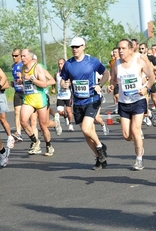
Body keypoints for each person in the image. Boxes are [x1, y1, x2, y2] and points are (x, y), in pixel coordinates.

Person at [60, 37, 110, 170]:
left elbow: (106, 73)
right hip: (77, 101)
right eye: (73, 47)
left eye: (77, 47)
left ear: (83, 46)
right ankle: (99, 157)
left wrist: (100, 84)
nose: (74, 49)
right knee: (87, 133)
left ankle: (100, 146)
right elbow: (63, 80)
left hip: (92, 99)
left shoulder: (92, 61)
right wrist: (63, 84)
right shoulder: (68, 64)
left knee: (86, 128)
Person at [109, 39, 155, 170]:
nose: (120, 51)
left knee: (135, 130)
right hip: (124, 102)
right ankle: (138, 141)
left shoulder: (139, 62)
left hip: (138, 101)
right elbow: (113, 80)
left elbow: (151, 77)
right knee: (126, 136)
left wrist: (146, 88)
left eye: (123, 48)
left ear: (130, 50)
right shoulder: (116, 64)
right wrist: (111, 86)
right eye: (119, 48)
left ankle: (139, 159)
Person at [17, 49, 60, 156]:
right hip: (28, 99)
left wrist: (31, 79)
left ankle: (49, 146)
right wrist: (20, 81)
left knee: (43, 125)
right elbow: (26, 81)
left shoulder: (37, 67)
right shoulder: (23, 68)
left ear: (31, 57)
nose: (21, 58)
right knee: (22, 121)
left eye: (24, 56)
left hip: (39, 99)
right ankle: (35, 141)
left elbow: (44, 84)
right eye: (21, 56)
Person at [53, 58, 74, 131]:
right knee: (59, 111)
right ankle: (65, 116)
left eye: (61, 64)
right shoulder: (56, 73)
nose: (60, 65)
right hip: (60, 95)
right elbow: (53, 81)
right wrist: (53, 88)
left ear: (64, 64)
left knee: (68, 111)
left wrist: (69, 84)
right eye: (59, 64)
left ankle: (71, 125)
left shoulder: (69, 72)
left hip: (68, 94)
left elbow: (73, 80)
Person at [10, 48, 24, 142]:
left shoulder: (23, 65)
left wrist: (22, 79)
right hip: (17, 91)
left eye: (16, 55)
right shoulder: (13, 66)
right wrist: (13, 83)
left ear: (20, 55)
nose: (14, 57)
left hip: (26, 92)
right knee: (16, 111)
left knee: (31, 116)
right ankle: (18, 132)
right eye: (13, 55)